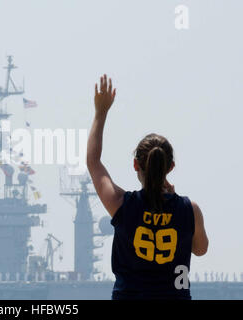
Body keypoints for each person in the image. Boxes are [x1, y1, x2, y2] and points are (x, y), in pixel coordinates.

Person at [87, 75, 209, 300]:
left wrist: (101, 112)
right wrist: (175, 204)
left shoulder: (121, 205)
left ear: (136, 164)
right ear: (170, 167)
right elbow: (200, 249)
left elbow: (93, 161)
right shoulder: (189, 210)